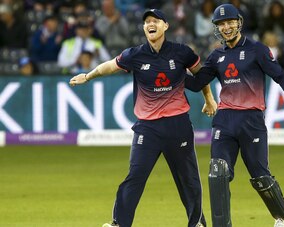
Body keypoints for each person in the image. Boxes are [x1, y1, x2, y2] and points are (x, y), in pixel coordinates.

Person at [69, 9, 217, 227]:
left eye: (155, 21)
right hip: (148, 128)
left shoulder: (182, 52)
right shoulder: (135, 54)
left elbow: (200, 74)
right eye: (147, 21)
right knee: (135, 176)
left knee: (188, 179)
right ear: (144, 28)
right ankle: (119, 223)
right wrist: (88, 76)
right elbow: (110, 65)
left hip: (178, 125)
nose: (151, 24)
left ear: (165, 26)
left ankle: (197, 223)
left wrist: (209, 99)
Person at [185, 4, 284, 227]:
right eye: (221, 24)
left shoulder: (257, 49)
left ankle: (282, 215)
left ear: (239, 22)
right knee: (218, 173)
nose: (226, 27)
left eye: (230, 22)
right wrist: (171, 71)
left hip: (252, 120)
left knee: (261, 176)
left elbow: (279, 74)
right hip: (225, 120)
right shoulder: (216, 56)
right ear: (217, 28)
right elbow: (195, 84)